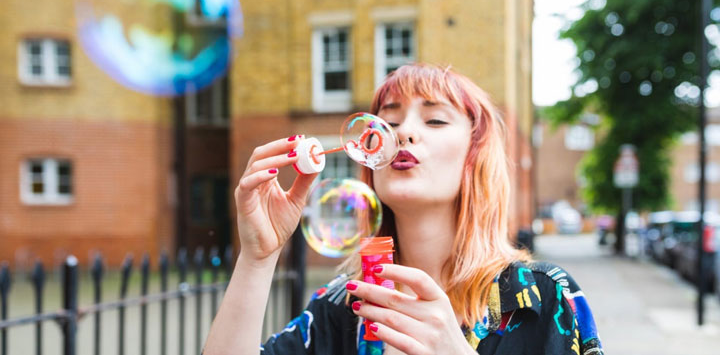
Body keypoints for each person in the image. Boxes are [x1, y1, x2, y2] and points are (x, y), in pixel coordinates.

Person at [204, 64, 603, 355]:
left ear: (474, 157)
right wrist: (257, 258)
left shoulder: (543, 296)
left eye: (434, 120)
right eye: (388, 120)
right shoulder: (345, 305)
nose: (402, 131)